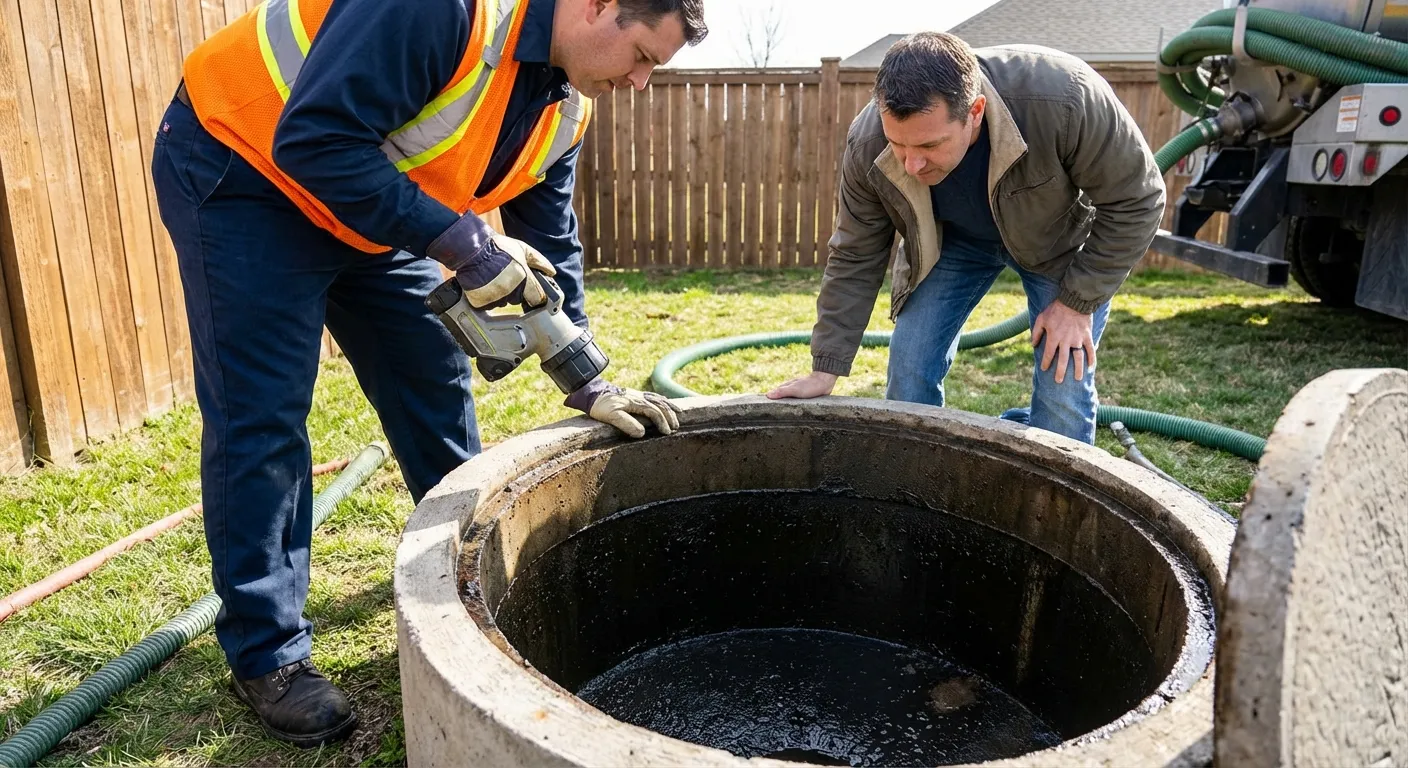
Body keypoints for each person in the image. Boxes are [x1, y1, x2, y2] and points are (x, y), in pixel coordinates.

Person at [150, 0, 706, 747]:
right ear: (595, 6)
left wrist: (586, 375)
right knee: (264, 416)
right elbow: (313, 139)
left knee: (432, 383)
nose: (641, 81)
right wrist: (466, 245)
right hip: (248, 170)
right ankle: (268, 655)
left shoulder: (566, 103)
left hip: (369, 197)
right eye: (642, 55)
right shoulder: (441, 10)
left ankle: (474, 575)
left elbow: (551, 242)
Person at [767, 33, 1164, 444]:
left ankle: (1058, 487)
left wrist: (1077, 303)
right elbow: (855, 253)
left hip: (1055, 245)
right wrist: (825, 367)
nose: (912, 162)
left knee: (1062, 388)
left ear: (975, 112)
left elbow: (1139, 200)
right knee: (908, 368)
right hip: (951, 243)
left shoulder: (1064, 98)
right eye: (898, 144)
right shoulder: (868, 142)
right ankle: (912, 482)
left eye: (929, 144)